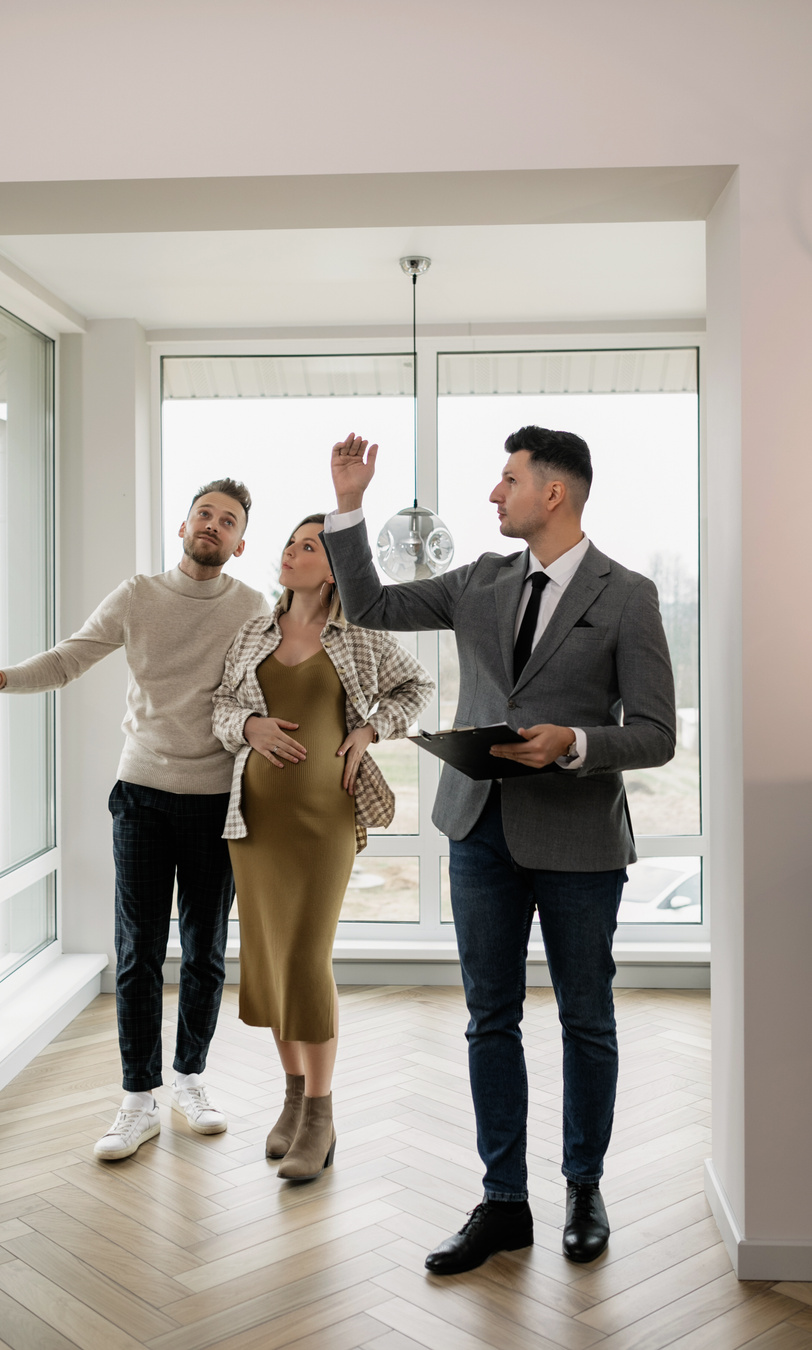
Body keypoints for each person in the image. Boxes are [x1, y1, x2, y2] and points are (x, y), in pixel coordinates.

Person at [323, 428, 676, 1269]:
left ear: (553, 493)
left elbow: (657, 733)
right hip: (479, 831)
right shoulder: (480, 580)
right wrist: (348, 507)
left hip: (581, 840)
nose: (493, 494)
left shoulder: (627, 596)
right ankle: (503, 1201)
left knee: (587, 1021)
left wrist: (576, 744)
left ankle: (583, 1188)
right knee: (491, 1019)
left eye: (507, 479)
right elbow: (373, 606)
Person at [0, 480, 269, 1161]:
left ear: (241, 544)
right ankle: (137, 1100)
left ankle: (191, 1080)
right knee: (138, 954)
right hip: (143, 795)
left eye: (228, 521)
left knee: (207, 953)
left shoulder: (252, 609)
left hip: (218, 801)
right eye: (204, 514)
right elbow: (70, 658)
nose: (212, 526)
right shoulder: (138, 596)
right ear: (183, 525)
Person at [211, 514, 434, 1181]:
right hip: (253, 826)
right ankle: (290, 1100)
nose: (289, 552)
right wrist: (248, 724)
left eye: (307, 546)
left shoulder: (361, 636)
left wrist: (369, 731)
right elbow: (221, 708)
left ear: (333, 566)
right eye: (288, 543)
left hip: (325, 822)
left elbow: (417, 688)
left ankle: (321, 1113)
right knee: (270, 960)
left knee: (306, 959)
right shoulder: (252, 630)